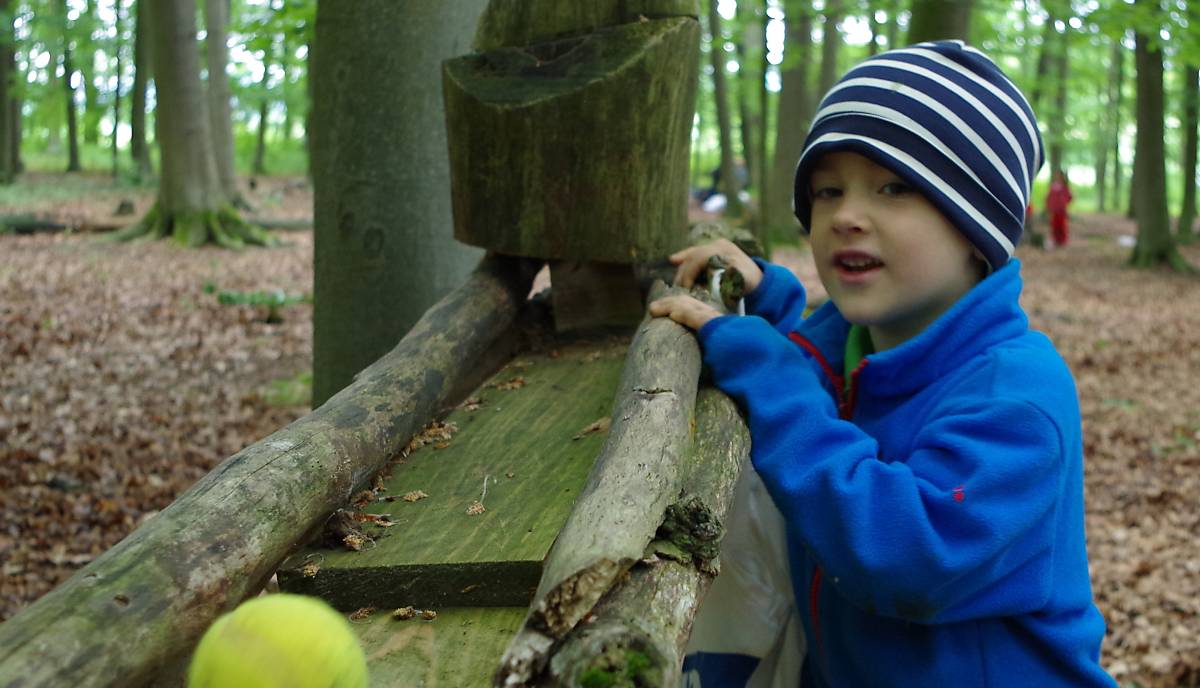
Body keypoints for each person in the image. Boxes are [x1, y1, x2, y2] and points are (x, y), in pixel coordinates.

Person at [651, 41, 1115, 687]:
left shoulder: (1014, 395)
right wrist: (766, 303)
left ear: (975, 227)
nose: (845, 216)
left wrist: (772, 373)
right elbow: (824, 386)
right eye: (827, 190)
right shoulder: (864, 343)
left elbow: (907, 558)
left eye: (894, 187)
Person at [1046, 169, 1073, 247]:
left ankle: (1062, 240)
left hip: (1061, 210)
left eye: (1059, 175)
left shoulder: (1065, 186)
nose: (1057, 177)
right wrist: (1049, 205)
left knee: (1062, 225)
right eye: (1056, 175)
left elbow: (1069, 196)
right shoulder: (1053, 186)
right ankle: (1055, 240)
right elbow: (1049, 197)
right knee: (1055, 225)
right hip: (1054, 210)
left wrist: (1063, 202)